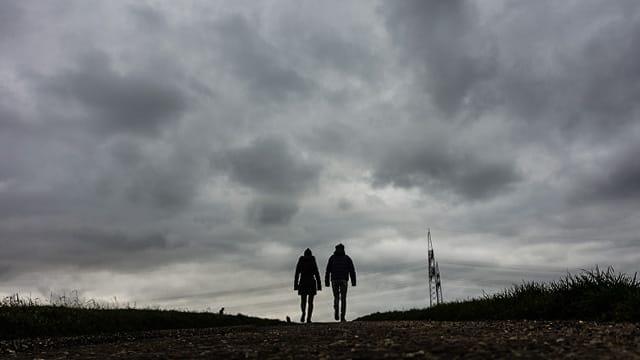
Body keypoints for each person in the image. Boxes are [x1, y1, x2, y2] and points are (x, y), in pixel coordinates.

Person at [325, 243, 356, 322]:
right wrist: (353, 282)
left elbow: (328, 270)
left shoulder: (332, 258)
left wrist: (327, 282)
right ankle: (342, 316)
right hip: (343, 280)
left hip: (334, 280)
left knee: (336, 297)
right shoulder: (347, 258)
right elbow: (352, 270)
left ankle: (336, 311)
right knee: (343, 298)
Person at [294, 248, 322, 323]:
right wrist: (319, 285)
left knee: (303, 301)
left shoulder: (301, 260)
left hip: (303, 282)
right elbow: (317, 273)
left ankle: (303, 312)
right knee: (310, 302)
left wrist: (295, 285)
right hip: (311, 282)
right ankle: (309, 318)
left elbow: (297, 273)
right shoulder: (312, 260)